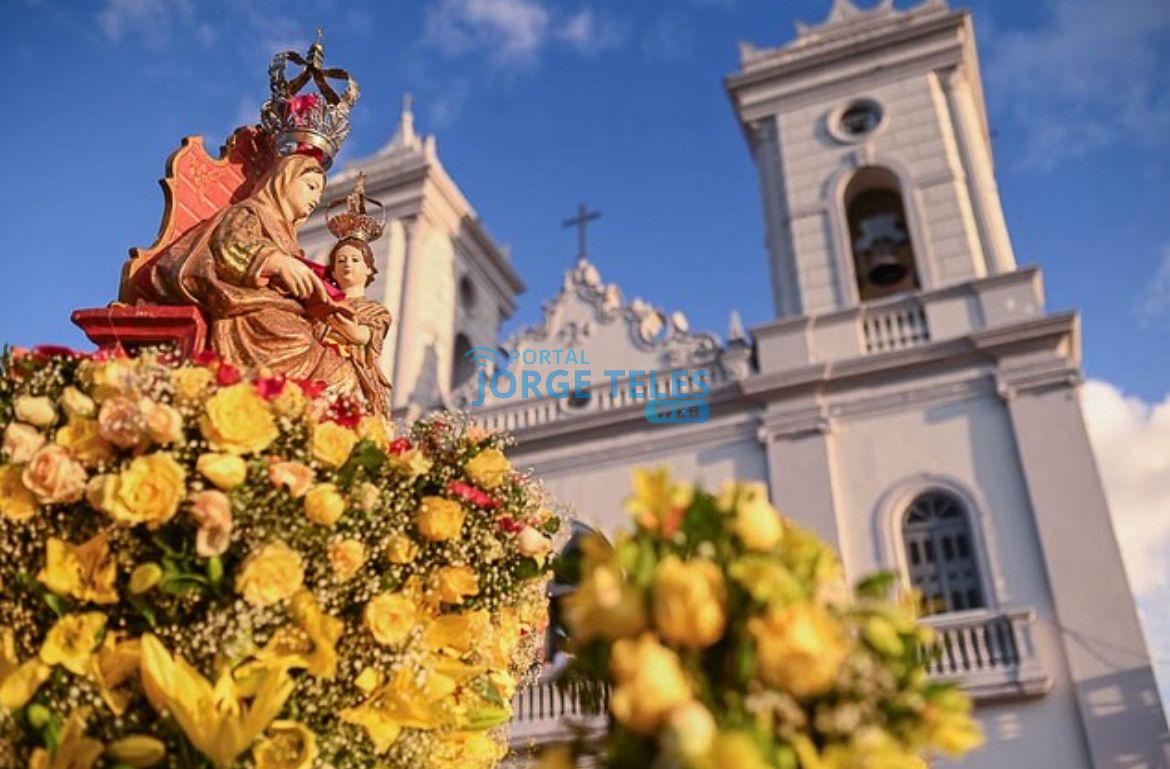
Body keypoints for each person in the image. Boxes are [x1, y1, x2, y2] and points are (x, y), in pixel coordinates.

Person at [135, 152, 358, 391]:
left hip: (283, 314)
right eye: (310, 186)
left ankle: (304, 418)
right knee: (299, 343)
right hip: (249, 311)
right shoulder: (250, 212)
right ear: (284, 180)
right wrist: (276, 262)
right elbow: (230, 245)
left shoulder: (290, 240)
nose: (315, 198)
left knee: (342, 372)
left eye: (319, 193)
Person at [321, 237, 393, 415]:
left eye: (355, 260)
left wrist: (336, 319)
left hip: (352, 369)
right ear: (333, 271)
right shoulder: (321, 302)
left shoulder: (375, 310)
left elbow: (362, 336)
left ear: (368, 269)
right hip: (319, 363)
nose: (347, 264)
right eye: (341, 260)